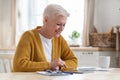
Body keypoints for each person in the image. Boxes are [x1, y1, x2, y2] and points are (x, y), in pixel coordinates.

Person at [13, 4, 78, 72]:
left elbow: (73, 61)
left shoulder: (59, 39)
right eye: (58, 24)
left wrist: (59, 66)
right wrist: (49, 65)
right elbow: (18, 65)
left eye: (64, 25)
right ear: (45, 20)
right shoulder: (28, 37)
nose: (62, 29)